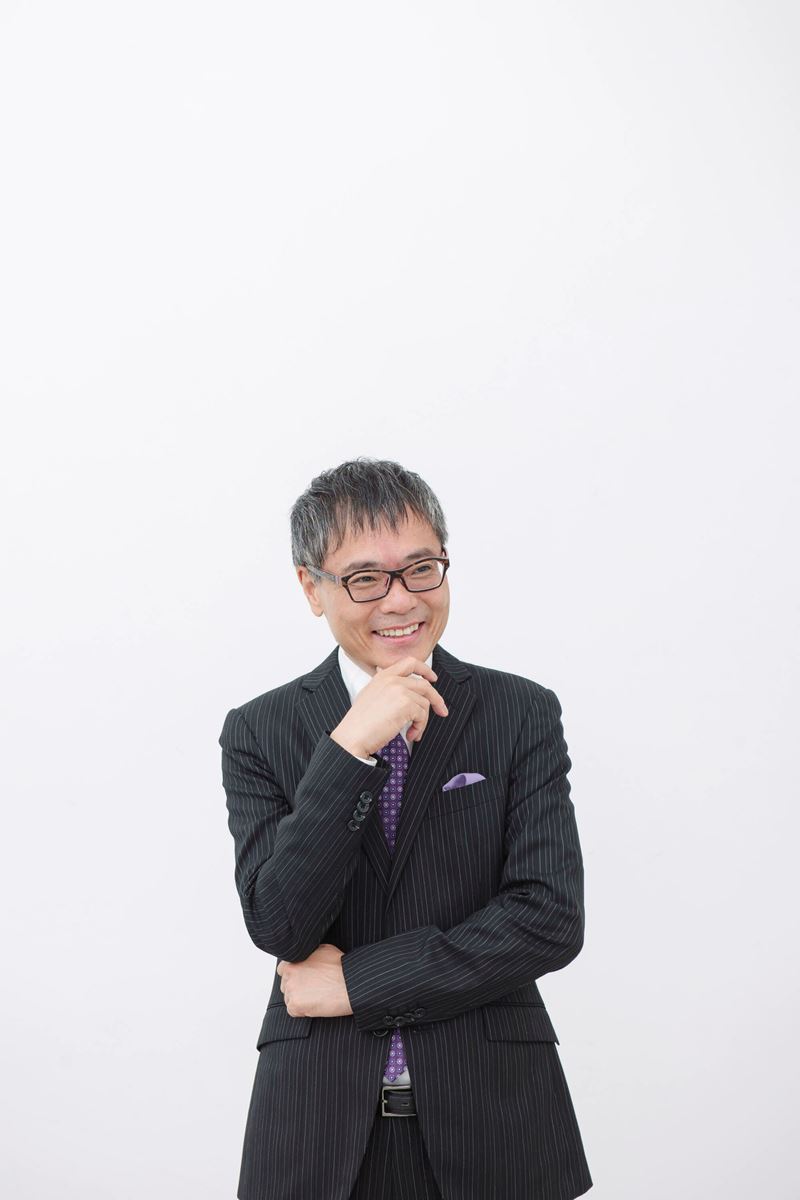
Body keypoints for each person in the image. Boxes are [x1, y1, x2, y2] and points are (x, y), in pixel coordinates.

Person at [218, 457, 593, 1200]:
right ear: (311, 588)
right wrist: (351, 748)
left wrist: (358, 983)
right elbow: (280, 922)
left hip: (497, 1117)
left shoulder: (519, 712)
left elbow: (548, 918)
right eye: (365, 578)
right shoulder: (259, 731)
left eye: (421, 568)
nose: (401, 599)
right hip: (316, 1131)